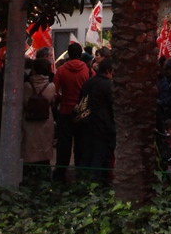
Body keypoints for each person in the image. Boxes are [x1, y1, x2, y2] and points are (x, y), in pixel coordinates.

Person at [53, 42, 93, 180]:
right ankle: (80, 173)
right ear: (80, 53)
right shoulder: (88, 70)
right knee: (81, 143)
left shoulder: (62, 70)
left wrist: (61, 98)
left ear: (68, 54)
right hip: (83, 112)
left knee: (64, 143)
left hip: (65, 110)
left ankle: (60, 173)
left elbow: (54, 90)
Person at [76, 58, 115, 184]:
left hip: (86, 124)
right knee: (99, 156)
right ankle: (95, 185)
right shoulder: (108, 85)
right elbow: (113, 105)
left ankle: (81, 182)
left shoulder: (89, 82)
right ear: (108, 71)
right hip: (102, 127)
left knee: (86, 155)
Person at [22, 58, 56, 167]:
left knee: (29, 147)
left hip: (29, 121)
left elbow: (24, 102)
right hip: (46, 120)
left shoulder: (26, 86)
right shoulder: (51, 86)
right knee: (44, 147)